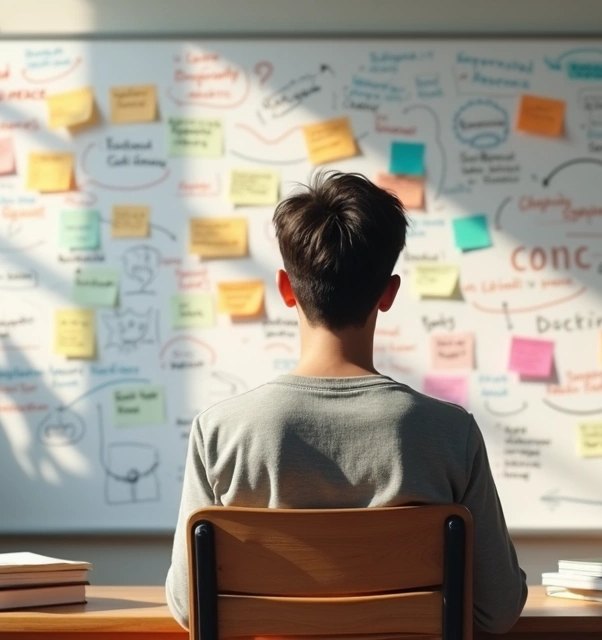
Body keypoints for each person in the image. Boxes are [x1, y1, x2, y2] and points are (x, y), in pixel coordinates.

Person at [164, 171, 528, 633]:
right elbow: (497, 610)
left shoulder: (220, 431)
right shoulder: (450, 434)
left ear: (285, 288)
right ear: (389, 293)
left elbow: (186, 606)